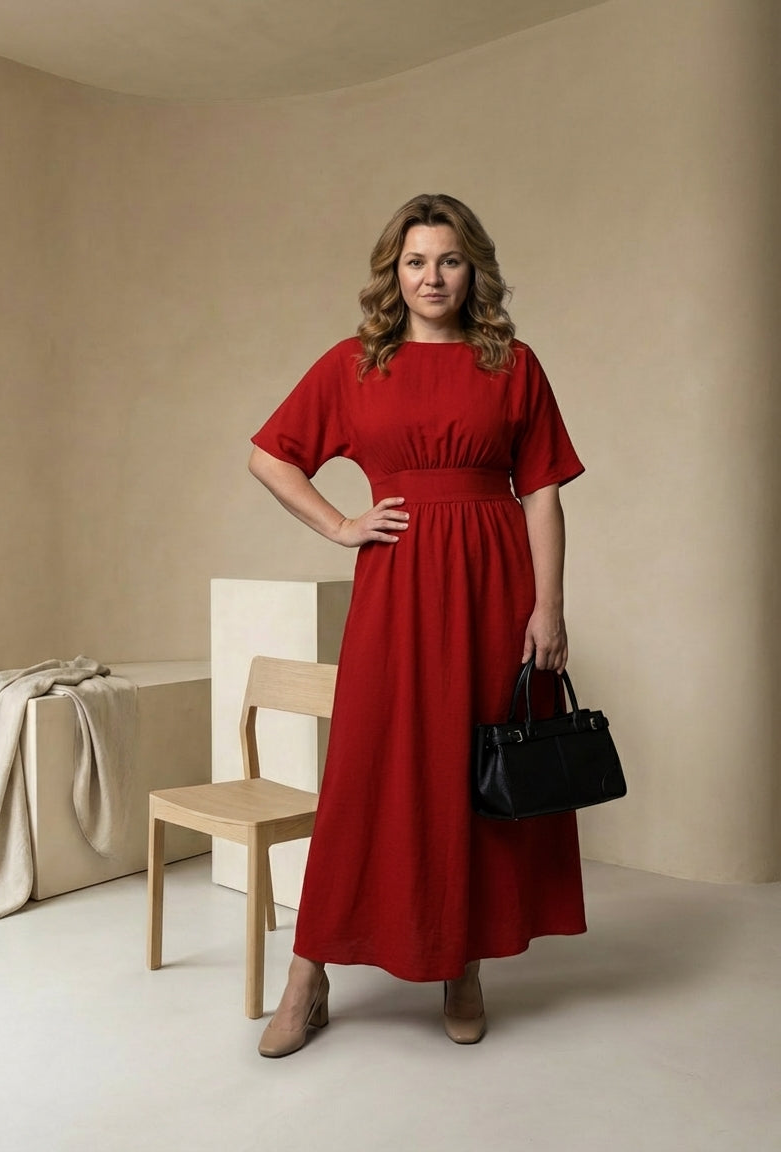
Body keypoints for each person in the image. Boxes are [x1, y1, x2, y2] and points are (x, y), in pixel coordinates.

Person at [248, 193, 586, 1058]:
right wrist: (339, 525)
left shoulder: (513, 364)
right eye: (415, 262)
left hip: (495, 588)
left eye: (449, 260)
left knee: (473, 772)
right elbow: (269, 455)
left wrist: (548, 606)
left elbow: (542, 490)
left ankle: (461, 967)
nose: (432, 277)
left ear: (474, 270)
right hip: (397, 590)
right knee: (368, 773)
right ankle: (308, 976)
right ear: (393, 273)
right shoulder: (356, 363)